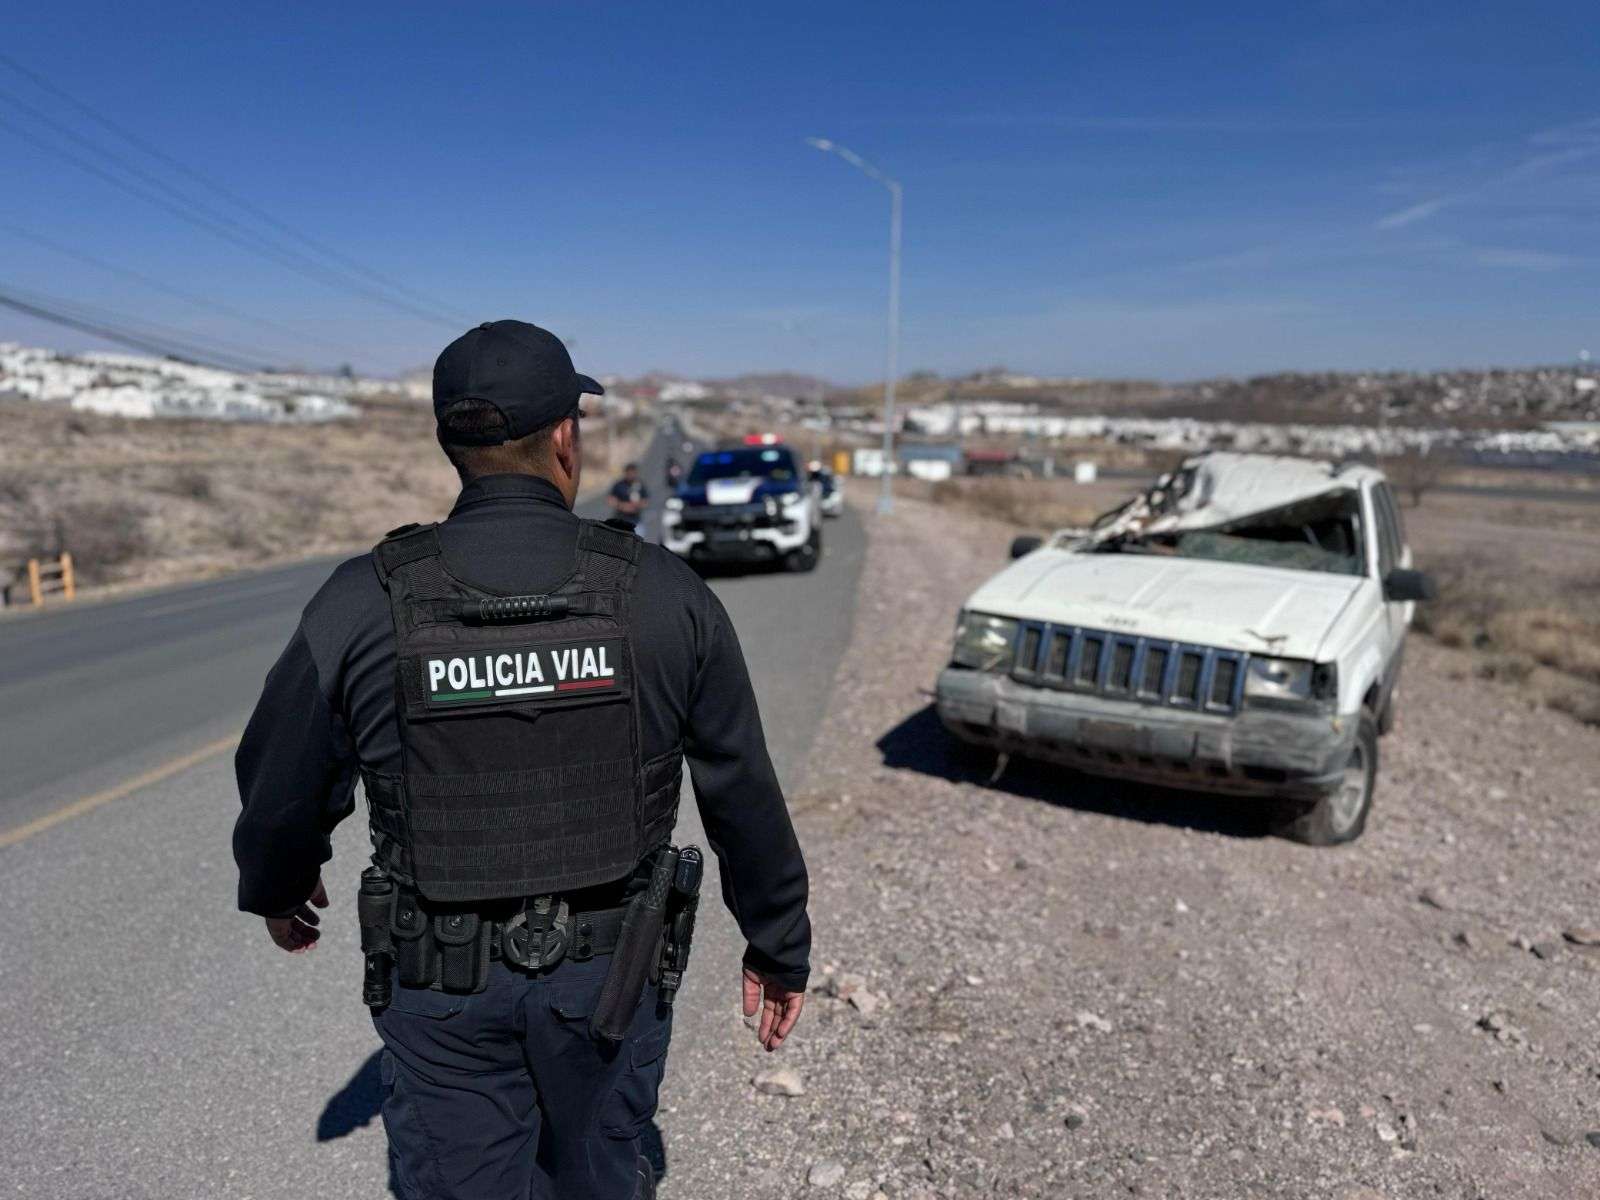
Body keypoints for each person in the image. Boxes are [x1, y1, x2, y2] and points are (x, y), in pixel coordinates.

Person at [233, 319, 809, 1200]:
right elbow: (740, 786)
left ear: (449, 442)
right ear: (567, 439)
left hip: (440, 981)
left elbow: (281, 777)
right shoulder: (662, 593)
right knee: (602, 1174)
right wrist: (777, 945)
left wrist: (279, 884)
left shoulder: (365, 597)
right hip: (612, 975)